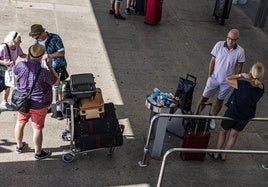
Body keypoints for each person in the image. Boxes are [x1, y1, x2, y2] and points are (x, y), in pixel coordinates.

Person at [208, 62, 265, 161]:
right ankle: (224, 155)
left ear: (251, 72)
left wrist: (241, 75)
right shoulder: (261, 88)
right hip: (246, 115)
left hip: (233, 112)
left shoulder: (242, 84)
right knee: (233, 134)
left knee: (222, 131)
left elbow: (228, 79)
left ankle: (216, 154)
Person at [13, 43, 60, 160]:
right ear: (42, 56)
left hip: (22, 101)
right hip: (39, 103)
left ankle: (19, 147)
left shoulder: (21, 65)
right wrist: (50, 66)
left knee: (20, 123)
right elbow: (57, 82)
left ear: (29, 54)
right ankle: (38, 152)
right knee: (37, 128)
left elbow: (14, 72)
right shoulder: (44, 72)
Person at [195, 29, 245, 118]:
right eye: (229, 38)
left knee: (220, 100)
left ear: (237, 39)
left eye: (233, 40)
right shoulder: (219, 45)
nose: (230, 41)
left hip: (227, 82)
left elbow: (239, 67)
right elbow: (212, 60)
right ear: (227, 37)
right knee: (204, 98)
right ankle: (195, 116)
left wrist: (233, 80)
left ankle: (212, 118)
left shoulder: (240, 51)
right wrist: (210, 74)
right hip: (214, 78)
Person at [29, 24, 68, 120]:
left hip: (56, 67)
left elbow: (62, 52)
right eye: (35, 38)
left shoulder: (55, 38)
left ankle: (59, 109)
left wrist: (49, 56)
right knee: (45, 88)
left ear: (42, 33)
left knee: (58, 88)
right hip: (42, 68)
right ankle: (48, 106)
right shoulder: (36, 41)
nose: (37, 39)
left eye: (38, 37)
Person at [0, 31, 27, 110]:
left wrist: (30, 57)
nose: (21, 41)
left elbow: (21, 54)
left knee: (8, 86)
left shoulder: (17, 47)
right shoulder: (2, 48)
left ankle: (4, 102)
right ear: (13, 40)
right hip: (1, 70)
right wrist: (4, 62)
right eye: (19, 40)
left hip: (9, 70)